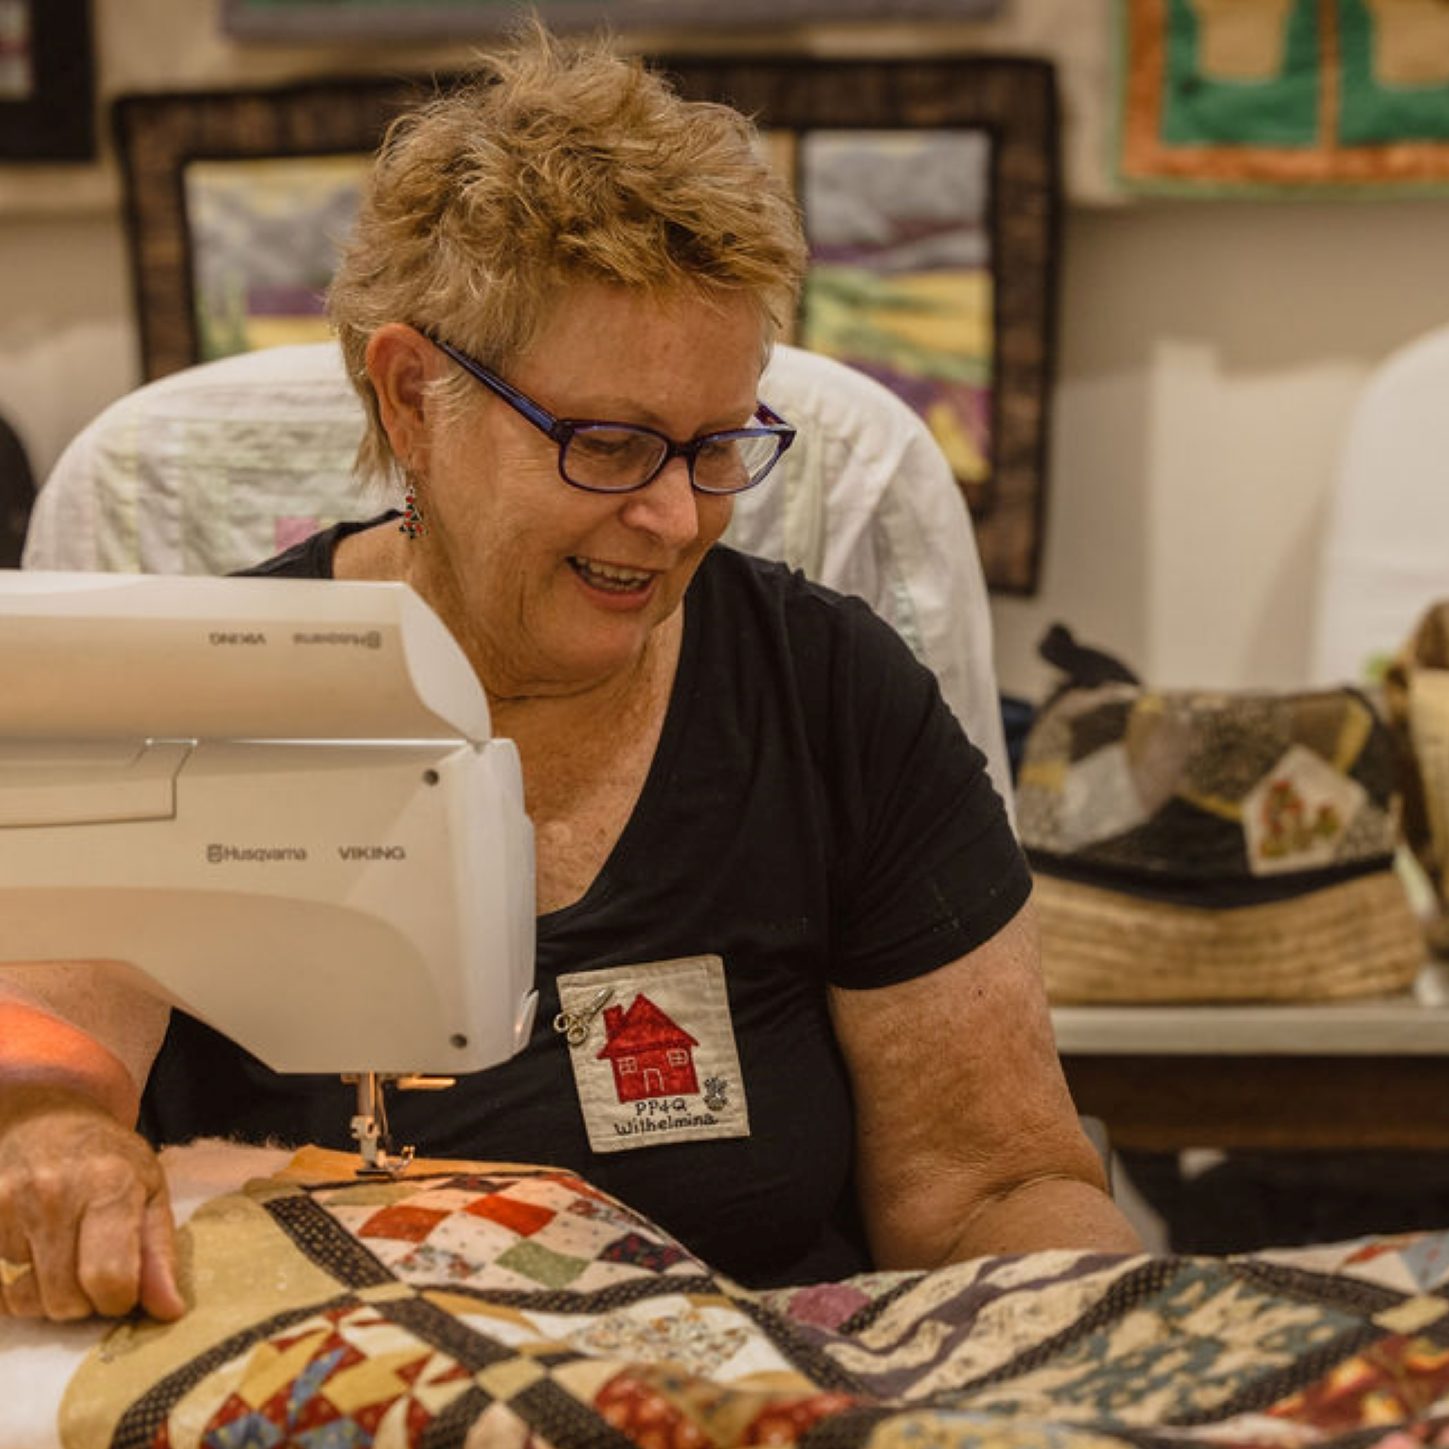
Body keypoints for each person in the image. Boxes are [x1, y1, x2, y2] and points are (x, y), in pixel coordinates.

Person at [0, 25, 1141, 1324]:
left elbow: (995, 1192)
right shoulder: (203, 705)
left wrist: (1116, 1350)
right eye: (607, 445)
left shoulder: (833, 703)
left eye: (715, 446)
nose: (672, 517)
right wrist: (56, 1134)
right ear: (413, 396)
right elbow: (49, 1059)